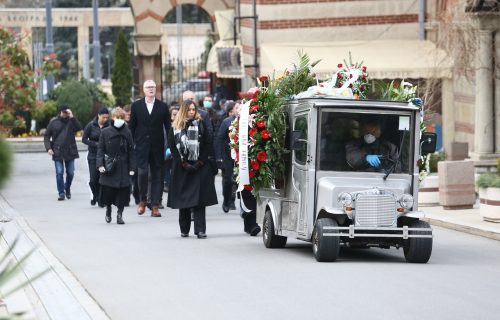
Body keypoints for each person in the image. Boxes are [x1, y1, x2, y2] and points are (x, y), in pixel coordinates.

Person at [167, 100, 218, 238]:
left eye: (193, 110)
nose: (191, 112)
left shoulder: (200, 124)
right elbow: (172, 147)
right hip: (182, 167)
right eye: (189, 110)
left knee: (200, 201)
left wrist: (199, 162)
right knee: (184, 200)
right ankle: (184, 229)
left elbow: (208, 143)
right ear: (184, 111)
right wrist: (183, 163)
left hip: (199, 166)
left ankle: (200, 230)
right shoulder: (175, 127)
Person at [129, 80, 171, 217]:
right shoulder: (136, 106)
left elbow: (168, 127)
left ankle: (155, 205)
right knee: (142, 174)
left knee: (157, 176)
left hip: (158, 146)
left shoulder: (163, 106)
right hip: (141, 146)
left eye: (153, 87)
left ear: (156, 89)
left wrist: (170, 146)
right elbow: (132, 127)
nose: (151, 89)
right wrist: (131, 144)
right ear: (143, 89)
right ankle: (142, 200)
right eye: (148, 87)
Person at [96, 108, 136, 224]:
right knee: (108, 192)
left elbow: (131, 151)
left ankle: (120, 214)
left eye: (122, 118)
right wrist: (100, 165)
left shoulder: (127, 132)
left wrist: (132, 168)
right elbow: (100, 149)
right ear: (113, 118)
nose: (120, 120)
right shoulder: (105, 132)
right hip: (110, 166)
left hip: (123, 166)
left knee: (122, 193)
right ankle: (108, 210)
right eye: (117, 118)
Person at [44, 105, 82, 201]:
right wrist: (48, 148)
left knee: (70, 173)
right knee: (59, 172)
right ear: (60, 112)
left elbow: (79, 128)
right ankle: (61, 193)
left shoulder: (71, 121)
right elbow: (47, 136)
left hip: (70, 151)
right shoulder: (53, 123)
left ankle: (67, 187)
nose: (66, 114)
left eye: (67, 112)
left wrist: (72, 117)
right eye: (64, 112)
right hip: (57, 151)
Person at [82, 107, 110, 206]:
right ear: (98, 115)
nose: (105, 119)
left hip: (105, 156)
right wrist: (95, 144)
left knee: (102, 179)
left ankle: (100, 198)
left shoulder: (109, 125)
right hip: (93, 155)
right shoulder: (91, 125)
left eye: (107, 117)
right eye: (103, 117)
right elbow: (84, 139)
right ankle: (95, 195)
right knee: (93, 180)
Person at [215, 100, 238, 213]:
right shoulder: (227, 122)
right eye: (237, 108)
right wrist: (219, 157)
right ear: (233, 110)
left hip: (240, 156)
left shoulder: (248, 121)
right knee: (228, 179)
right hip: (227, 155)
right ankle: (226, 199)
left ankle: (233, 199)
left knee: (238, 180)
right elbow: (219, 138)